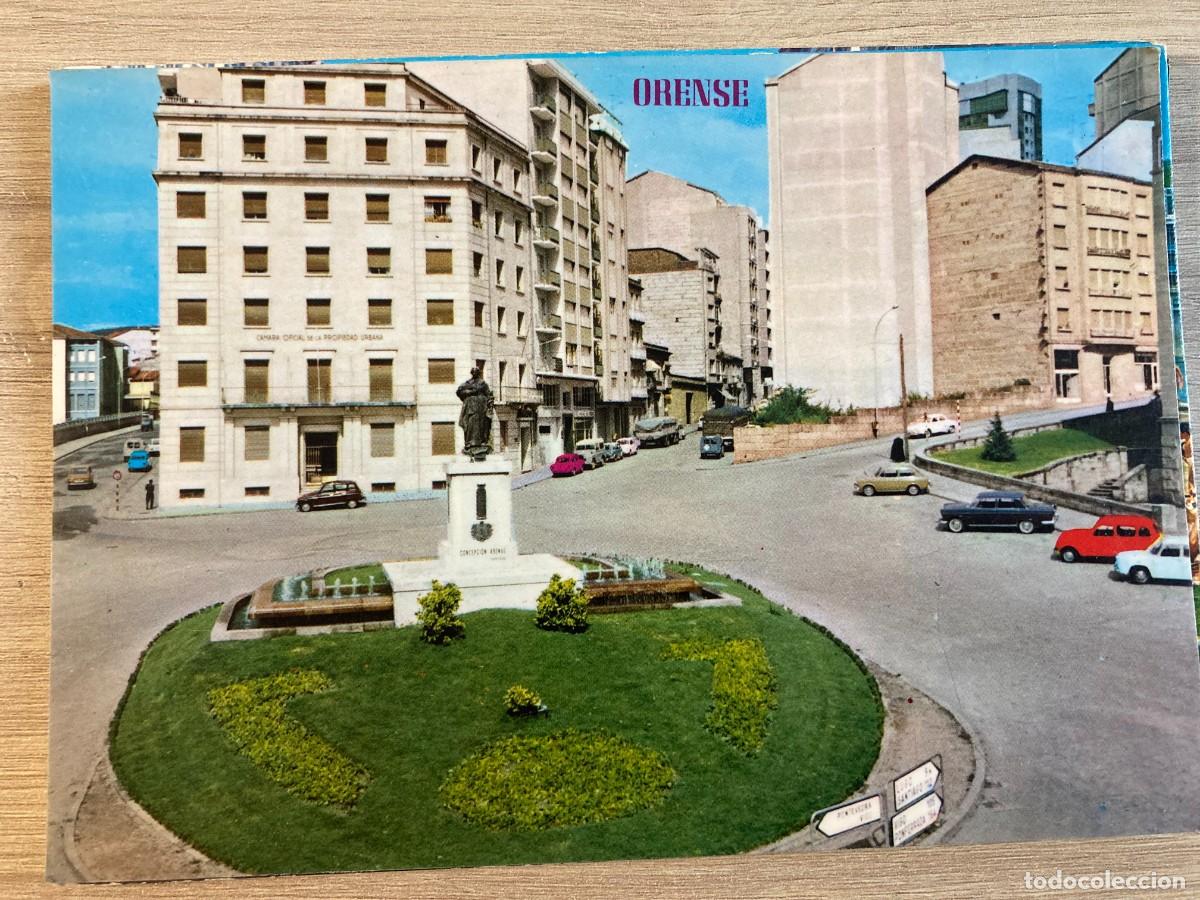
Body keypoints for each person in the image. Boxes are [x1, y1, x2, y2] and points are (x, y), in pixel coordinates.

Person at [456, 366, 495, 461]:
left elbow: (489, 394)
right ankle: (470, 444)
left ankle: (482, 443)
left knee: (482, 425)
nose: (474, 373)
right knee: (470, 424)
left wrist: (490, 404)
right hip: (470, 407)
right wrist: (468, 392)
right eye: (473, 372)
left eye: (476, 372)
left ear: (478, 373)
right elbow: (459, 392)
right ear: (471, 373)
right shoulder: (467, 383)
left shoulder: (483, 383)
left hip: (482, 407)